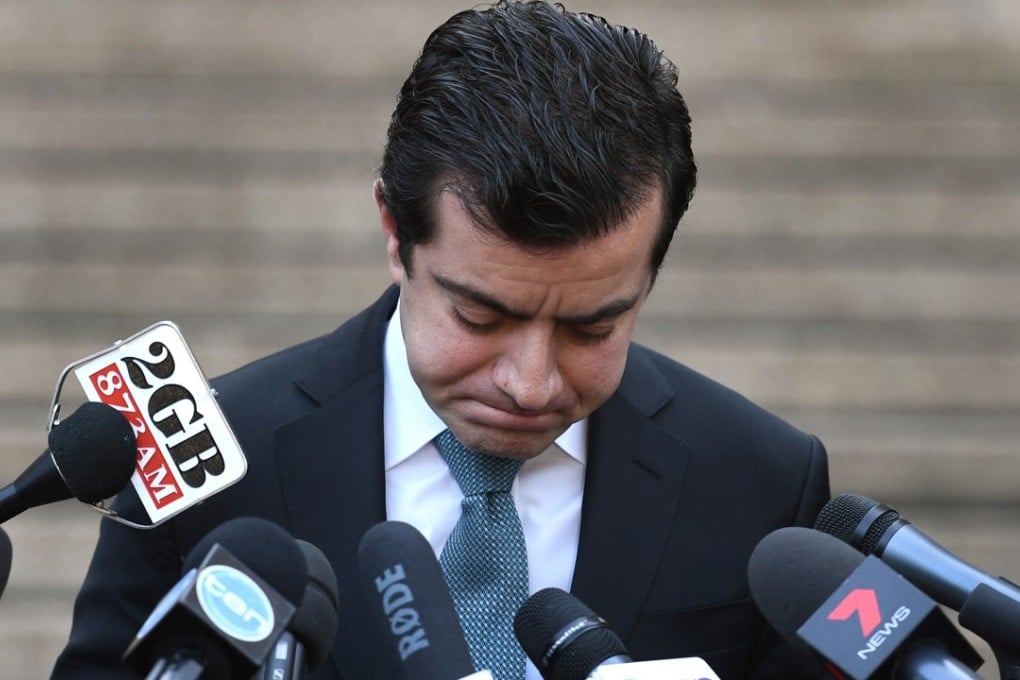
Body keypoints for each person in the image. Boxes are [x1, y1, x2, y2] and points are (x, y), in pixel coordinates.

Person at [53, 1, 829, 678]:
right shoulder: (206, 466)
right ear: (396, 233)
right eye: (480, 318)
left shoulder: (763, 483)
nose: (530, 383)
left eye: (592, 326)